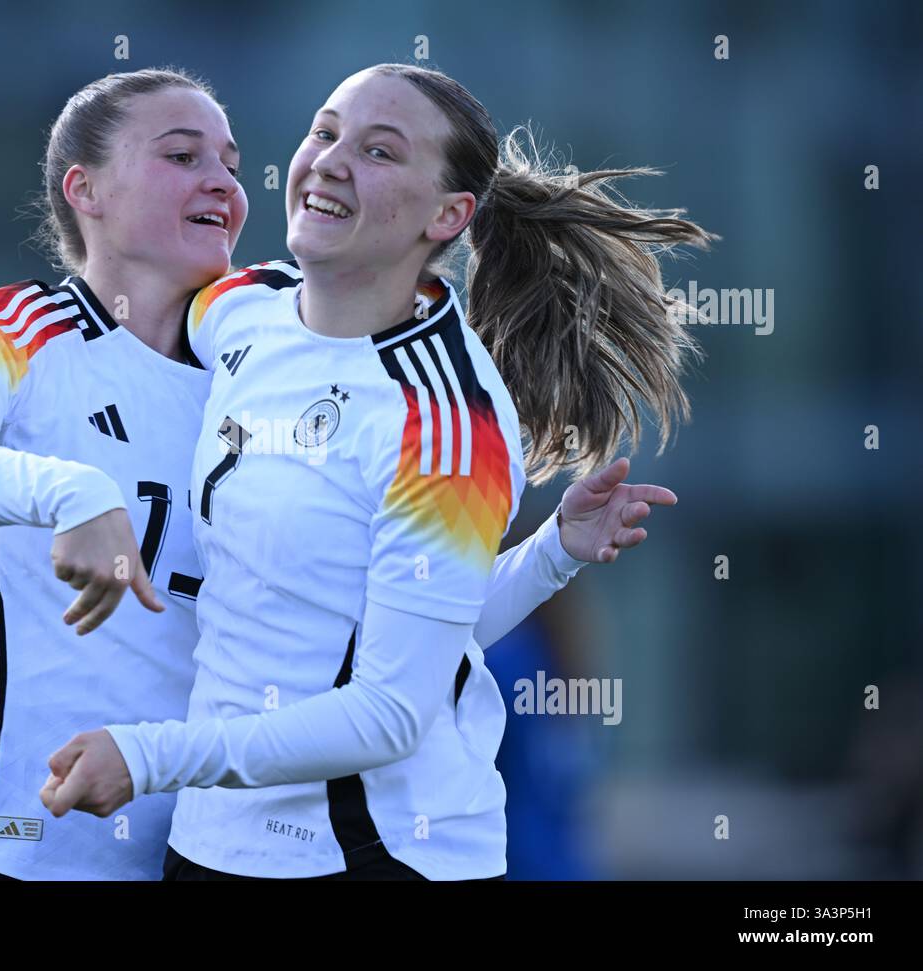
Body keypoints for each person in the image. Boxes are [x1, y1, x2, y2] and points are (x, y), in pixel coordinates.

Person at [0, 68, 673, 881]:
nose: (227, 180)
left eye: (232, 162)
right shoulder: (211, 318)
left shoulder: (393, 394)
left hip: (250, 845)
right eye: (183, 157)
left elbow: (391, 673)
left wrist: (549, 557)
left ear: (449, 215)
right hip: (11, 843)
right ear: (85, 190)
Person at [37, 63, 712, 880]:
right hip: (208, 846)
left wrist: (150, 757)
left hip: (371, 857)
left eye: (379, 151)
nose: (329, 161)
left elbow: (391, 709)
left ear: (448, 214)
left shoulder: (446, 423)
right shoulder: (240, 307)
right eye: (325, 132)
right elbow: (110, 326)